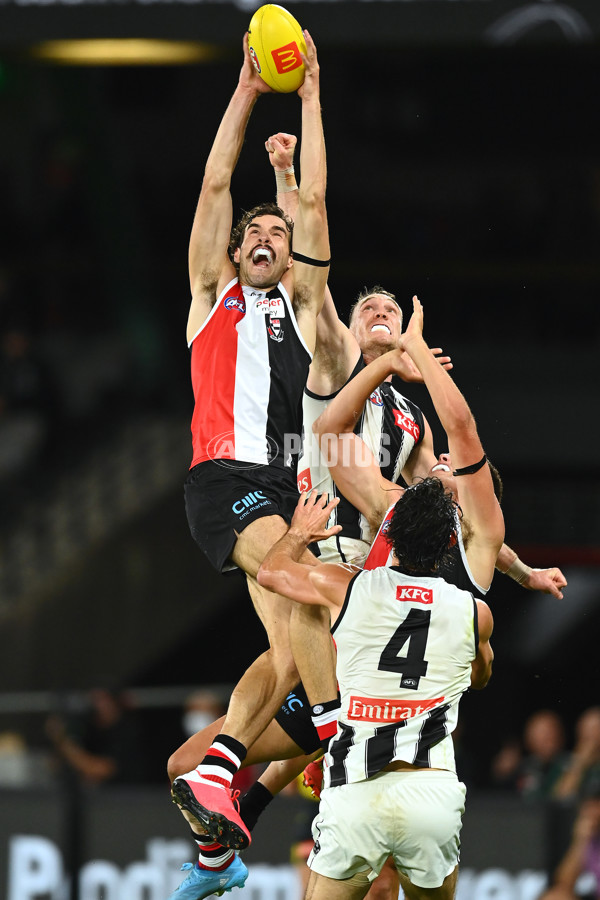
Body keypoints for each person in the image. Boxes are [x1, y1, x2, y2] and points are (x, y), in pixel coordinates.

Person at [169, 27, 335, 900]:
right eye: (255, 234)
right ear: (235, 253)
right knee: (308, 597)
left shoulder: (303, 313)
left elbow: (311, 213)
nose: (266, 236)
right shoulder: (212, 299)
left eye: (276, 232)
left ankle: (218, 825)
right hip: (225, 482)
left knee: (285, 644)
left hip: (280, 487)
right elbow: (212, 183)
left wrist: (308, 103)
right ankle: (345, 730)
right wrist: (245, 88)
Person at [266, 131, 567, 598]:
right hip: (322, 545)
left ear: (406, 329)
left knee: (290, 667)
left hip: (376, 562)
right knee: (288, 664)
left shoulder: (411, 417)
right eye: (367, 309)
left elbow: (453, 507)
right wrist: (286, 173)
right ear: (348, 330)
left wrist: (526, 573)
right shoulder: (336, 364)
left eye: (391, 309)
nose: (380, 311)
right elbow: (305, 271)